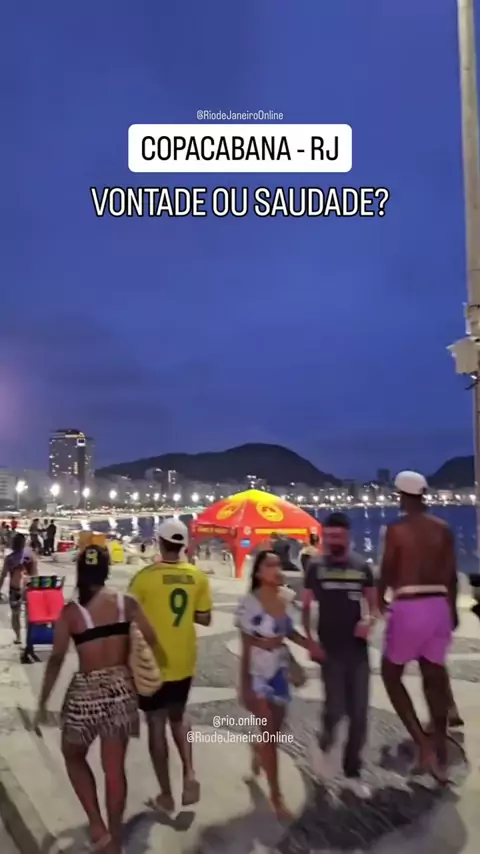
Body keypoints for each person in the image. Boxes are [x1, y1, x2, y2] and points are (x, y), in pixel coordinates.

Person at [34, 545, 157, 854]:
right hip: (122, 688)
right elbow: (152, 638)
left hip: (87, 691)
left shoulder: (72, 613)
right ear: (105, 571)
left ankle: (96, 824)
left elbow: (57, 659)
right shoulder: (126, 603)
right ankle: (114, 840)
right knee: (114, 769)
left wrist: (43, 702)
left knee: (73, 754)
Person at [128, 519, 212, 814]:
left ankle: (166, 795)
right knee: (178, 716)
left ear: (159, 542)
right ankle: (189, 772)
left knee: (156, 723)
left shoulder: (144, 578)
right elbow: (205, 618)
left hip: (153, 662)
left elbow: (128, 617)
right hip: (184, 659)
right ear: (184, 545)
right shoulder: (198, 577)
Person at [379, 471, 458, 782]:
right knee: (434, 679)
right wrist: (452, 611)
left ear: (401, 495)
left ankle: (422, 744)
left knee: (390, 674)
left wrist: (379, 600)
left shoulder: (397, 529)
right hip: (439, 605)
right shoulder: (443, 529)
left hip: (410, 605)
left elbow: (388, 569)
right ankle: (440, 751)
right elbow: (451, 575)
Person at [237, 549, 322, 819]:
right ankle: (276, 796)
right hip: (258, 673)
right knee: (271, 736)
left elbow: (288, 631)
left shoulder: (285, 597)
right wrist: (245, 683)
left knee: (275, 730)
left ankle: (257, 747)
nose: (276, 568)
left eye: (278, 564)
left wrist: (311, 645)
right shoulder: (249, 603)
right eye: (269, 565)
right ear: (259, 572)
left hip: (279, 671)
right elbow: (246, 645)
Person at [302, 512, 377, 796]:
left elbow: (373, 606)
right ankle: (323, 745)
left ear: (348, 537)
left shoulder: (362, 567)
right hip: (329, 649)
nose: (332, 541)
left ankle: (353, 772)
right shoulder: (315, 567)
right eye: (328, 536)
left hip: (357, 651)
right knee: (335, 710)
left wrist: (368, 621)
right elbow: (306, 606)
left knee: (359, 714)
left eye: (338, 536)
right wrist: (310, 641)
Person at [0, 532, 39, 663]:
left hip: (15, 589)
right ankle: (29, 639)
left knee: (15, 614)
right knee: (29, 616)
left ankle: (18, 637)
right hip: (28, 590)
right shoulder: (30, 556)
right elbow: (35, 574)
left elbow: (3, 576)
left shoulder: (10, 558)